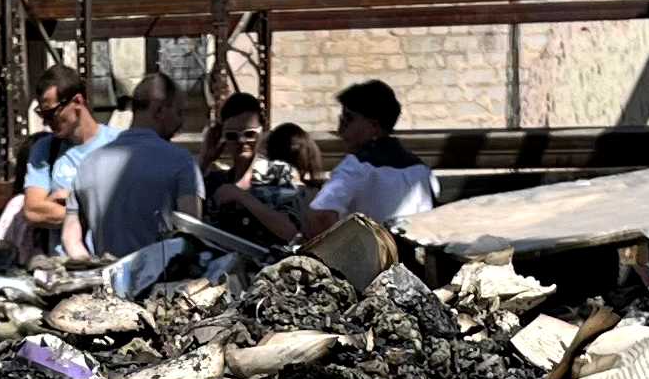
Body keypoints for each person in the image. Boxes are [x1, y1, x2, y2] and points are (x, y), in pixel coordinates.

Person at [250, 80, 434, 243]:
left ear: (373, 125)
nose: (340, 130)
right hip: (410, 264)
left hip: (366, 265)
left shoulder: (356, 167)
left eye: (348, 119)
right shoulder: (421, 170)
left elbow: (320, 215)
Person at [72, 72, 206, 260]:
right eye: (178, 112)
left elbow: (71, 237)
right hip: (162, 276)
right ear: (159, 110)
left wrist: (95, 268)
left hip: (107, 274)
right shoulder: (182, 162)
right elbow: (191, 234)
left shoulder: (88, 164)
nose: (181, 122)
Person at [8, 65, 109, 260]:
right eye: (42, 114)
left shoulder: (117, 145)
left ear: (77, 101)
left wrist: (68, 201)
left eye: (51, 113)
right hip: (62, 268)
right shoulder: (45, 149)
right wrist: (90, 210)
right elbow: (33, 210)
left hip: (109, 264)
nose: (46, 122)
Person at [200, 92, 293, 245]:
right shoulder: (214, 181)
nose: (242, 141)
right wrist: (205, 159)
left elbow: (291, 232)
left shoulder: (277, 174)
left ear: (263, 132)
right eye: (232, 136)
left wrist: (241, 196)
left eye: (250, 134)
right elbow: (189, 217)